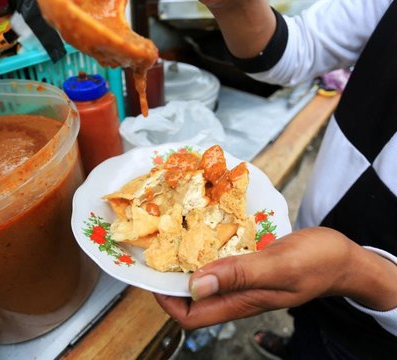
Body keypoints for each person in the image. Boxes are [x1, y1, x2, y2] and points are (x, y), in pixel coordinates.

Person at [153, 0, 397, 359]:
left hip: (379, 336)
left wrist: (352, 271)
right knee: (307, 330)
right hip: (315, 254)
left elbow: (344, 270)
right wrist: (234, 6)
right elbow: (303, 45)